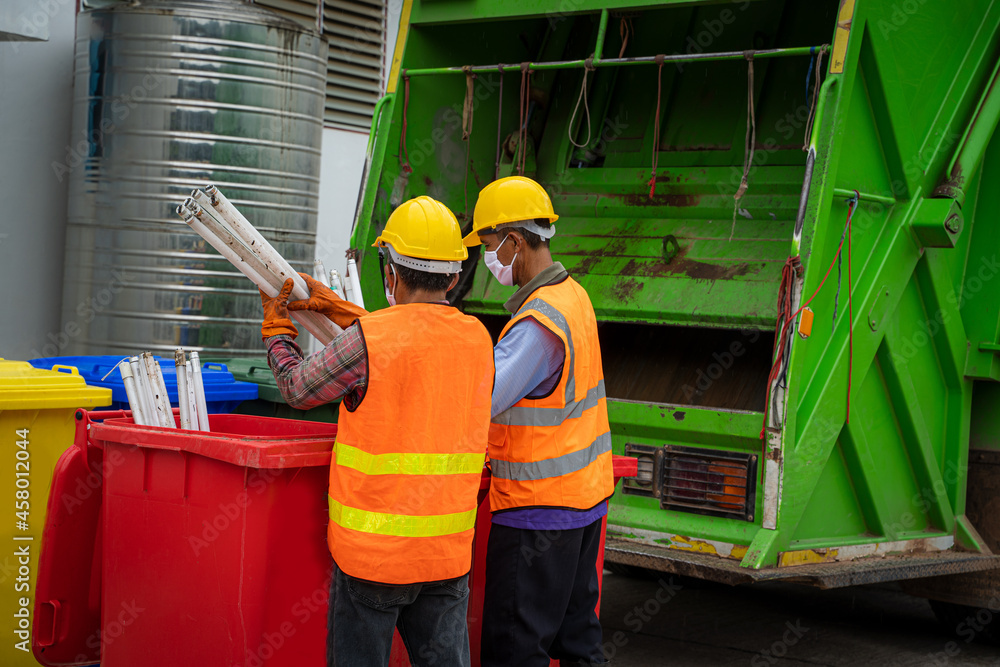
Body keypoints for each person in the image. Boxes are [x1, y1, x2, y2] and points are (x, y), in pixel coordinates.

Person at [259, 195, 495, 667]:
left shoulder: (369, 341)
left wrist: (277, 331)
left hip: (373, 561)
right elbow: (420, 344)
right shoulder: (478, 339)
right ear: (453, 276)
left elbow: (296, 387)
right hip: (446, 556)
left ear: (390, 274)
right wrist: (343, 310)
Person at [463, 176, 615, 667]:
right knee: (577, 643)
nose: (488, 260)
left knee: (514, 650)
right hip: (583, 504)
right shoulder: (575, 297)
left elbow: (479, 399)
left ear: (515, 240)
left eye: (489, 246)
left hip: (537, 512)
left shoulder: (537, 324)